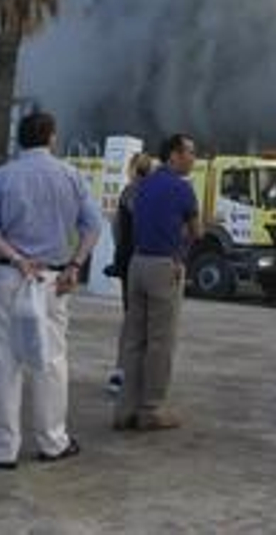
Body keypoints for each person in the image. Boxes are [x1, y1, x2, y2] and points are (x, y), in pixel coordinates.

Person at [0, 112, 102, 468]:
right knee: (51, 360)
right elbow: (93, 226)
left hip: (7, 276)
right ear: (52, 138)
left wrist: (17, 259)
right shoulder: (71, 176)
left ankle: (2, 449)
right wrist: (76, 264)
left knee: (4, 360)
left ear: (19, 139)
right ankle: (53, 441)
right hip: (54, 280)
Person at [113, 133, 201, 432]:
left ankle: (125, 408)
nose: (193, 159)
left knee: (135, 339)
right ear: (174, 155)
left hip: (137, 264)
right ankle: (152, 408)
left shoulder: (142, 185)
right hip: (165, 267)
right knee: (161, 342)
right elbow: (197, 231)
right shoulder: (182, 189)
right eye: (190, 152)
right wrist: (181, 248)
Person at [106, 151, 154, 396]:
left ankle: (120, 372)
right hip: (150, 260)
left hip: (128, 262)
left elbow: (116, 229)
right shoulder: (151, 193)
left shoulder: (128, 193)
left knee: (130, 318)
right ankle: (137, 375)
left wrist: (119, 256)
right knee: (146, 322)